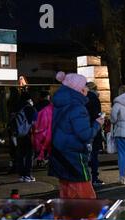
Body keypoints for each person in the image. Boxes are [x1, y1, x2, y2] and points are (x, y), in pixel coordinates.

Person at [49, 71, 104, 199]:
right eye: (84, 85)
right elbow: (85, 135)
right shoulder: (77, 107)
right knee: (84, 193)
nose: (86, 88)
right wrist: (97, 124)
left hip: (59, 152)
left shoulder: (59, 104)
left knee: (66, 192)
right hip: (74, 155)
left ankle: (68, 217)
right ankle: (88, 218)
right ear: (78, 88)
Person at [14, 91, 37, 183]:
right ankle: (28, 175)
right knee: (29, 155)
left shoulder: (17, 107)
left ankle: (22, 175)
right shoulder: (30, 108)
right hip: (28, 134)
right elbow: (35, 121)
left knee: (20, 154)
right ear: (29, 99)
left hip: (18, 134)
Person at [85, 82, 105, 186]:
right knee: (94, 154)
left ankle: (85, 177)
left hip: (84, 128)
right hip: (94, 127)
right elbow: (97, 114)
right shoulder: (94, 99)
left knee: (85, 153)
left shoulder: (82, 99)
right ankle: (94, 177)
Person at [32, 90, 54, 166]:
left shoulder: (36, 106)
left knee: (39, 144)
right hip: (49, 128)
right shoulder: (51, 106)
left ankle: (39, 159)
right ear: (48, 97)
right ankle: (46, 159)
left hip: (38, 128)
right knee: (48, 145)